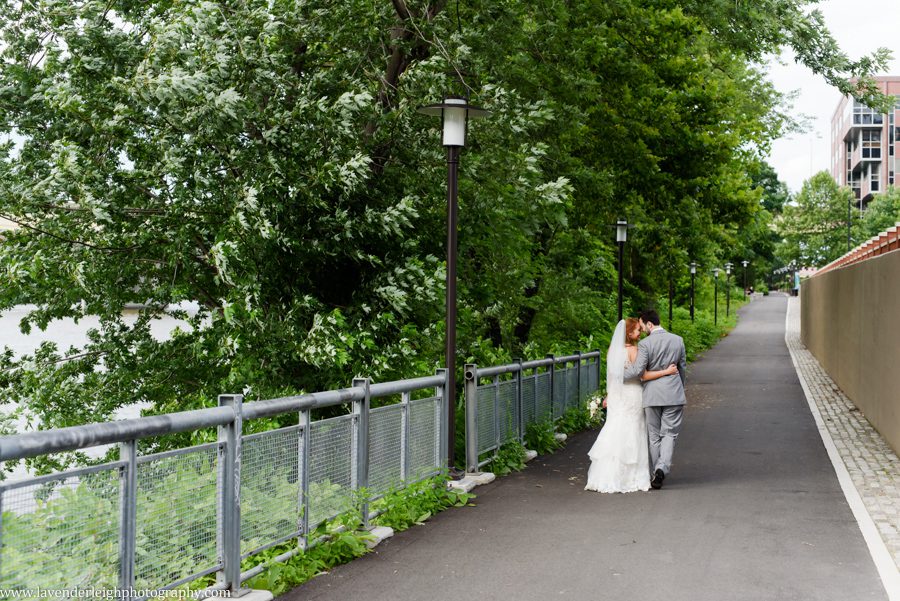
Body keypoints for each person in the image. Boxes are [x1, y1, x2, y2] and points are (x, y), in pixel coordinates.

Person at [585, 318, 678, 493]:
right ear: (629, 333)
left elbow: (613, 377)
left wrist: (608, 395)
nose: (640, 332)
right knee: (634, 430)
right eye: (637, 330)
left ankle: (606, 475)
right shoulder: (634, 350)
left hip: (617, 395)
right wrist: (667, 371)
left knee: (615, 428)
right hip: (633, 394)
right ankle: (631, 476)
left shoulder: (612, 350)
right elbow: (642, 375)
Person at [624, 309, 687, 490]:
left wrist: (618, 375)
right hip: (673, 393)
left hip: (652, 395)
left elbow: (638, 371)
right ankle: (661, 468)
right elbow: (682, 368)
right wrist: (679, 387)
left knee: (654, 435)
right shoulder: (678, 340)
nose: (642, 329)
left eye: (642, 326)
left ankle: (657, 471)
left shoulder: (645, 344)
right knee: (669, 433)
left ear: (649, 324)